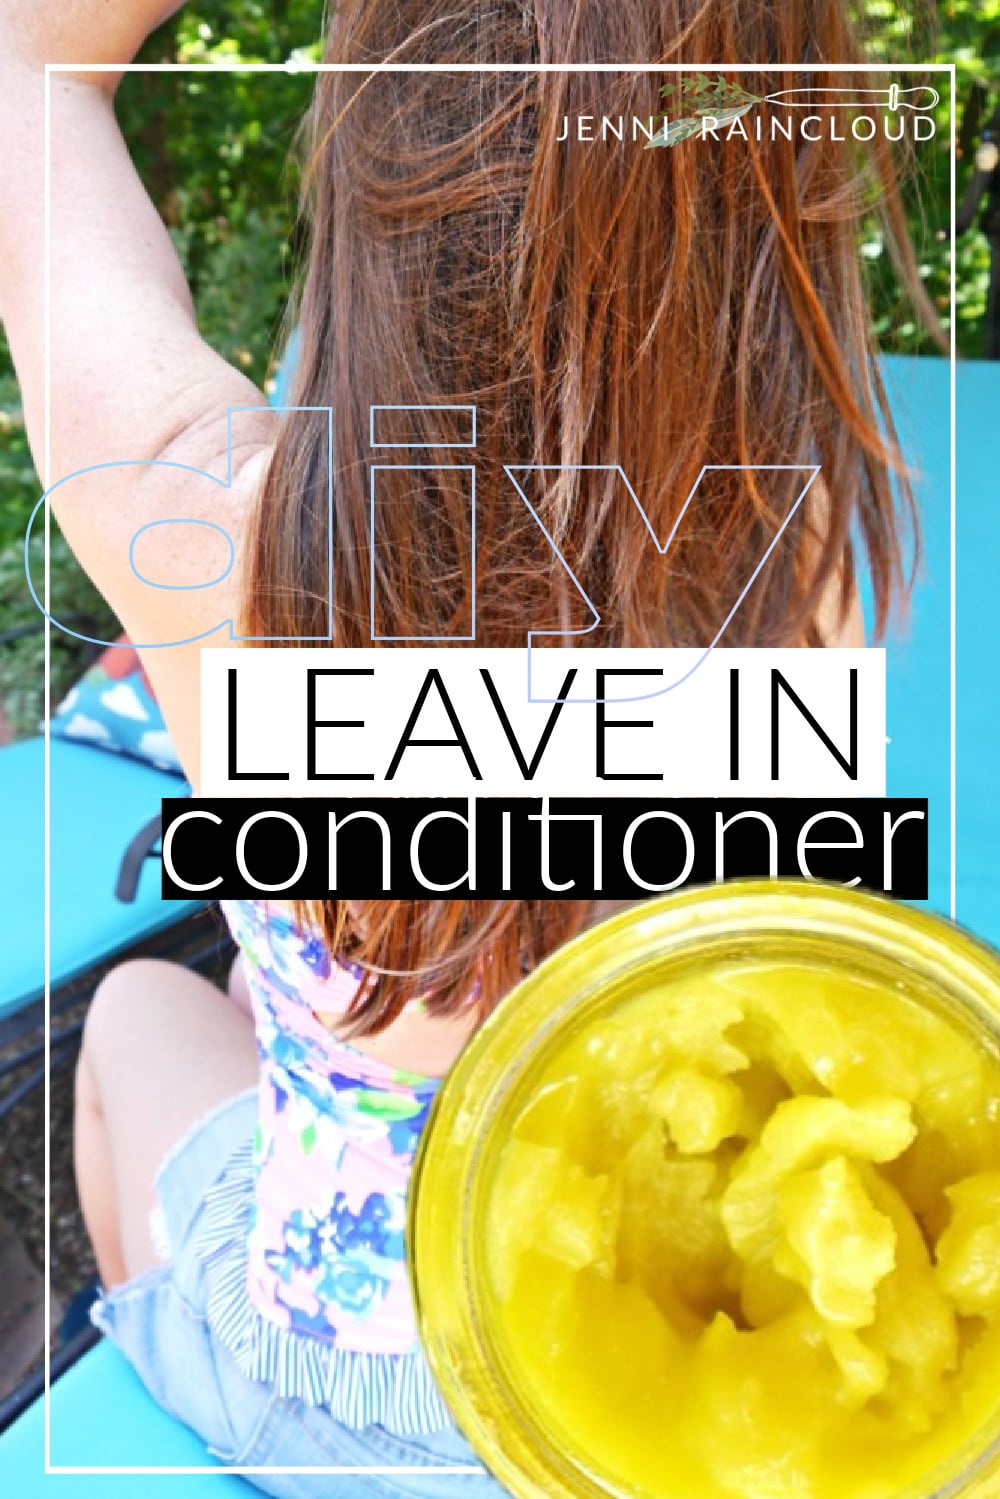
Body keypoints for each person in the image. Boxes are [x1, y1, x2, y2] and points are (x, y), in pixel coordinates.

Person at [0, 0, 939, 1493]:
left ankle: (206, 1396)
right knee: (272, 980)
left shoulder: (216, 546)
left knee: (134, 1014)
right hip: (675, 1397)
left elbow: (29, 67)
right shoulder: (801, 551)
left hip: (355, 1404)